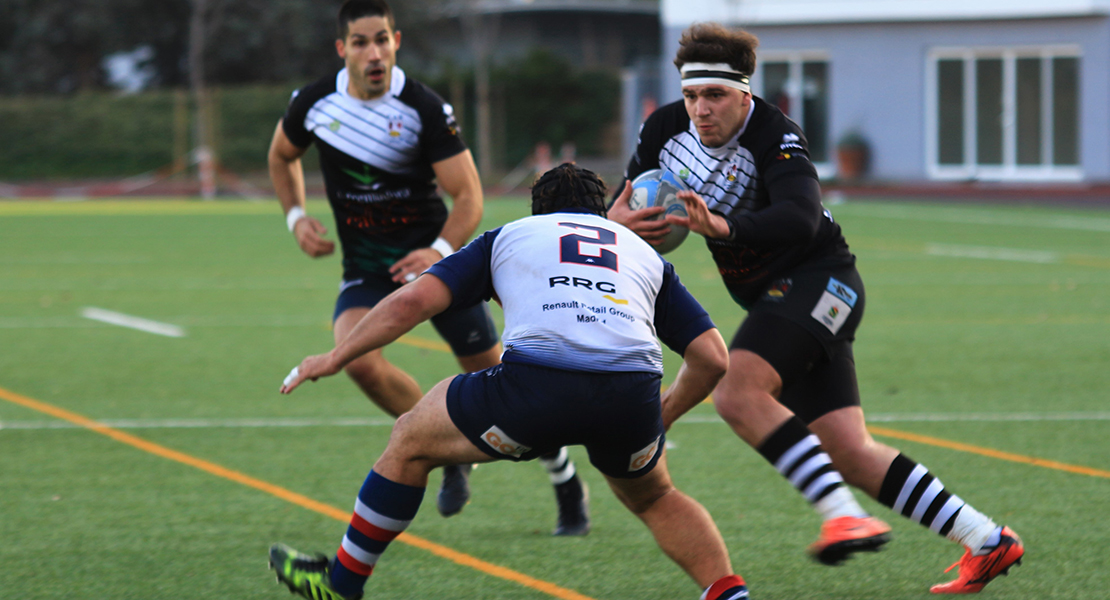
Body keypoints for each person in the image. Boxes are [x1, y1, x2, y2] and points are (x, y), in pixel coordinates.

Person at [608, 23, 1023, 594]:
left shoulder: (776, 134)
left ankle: (843, 516)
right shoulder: (663, 129)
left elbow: (801, 216)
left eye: (715, 95)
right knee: (849, 450)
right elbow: (625, 202)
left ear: (744, 95)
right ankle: (986, 539)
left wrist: (721, 226)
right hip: (778, 300)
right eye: (691, 95)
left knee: (738, 391)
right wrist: (616, 223)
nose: (701, 109)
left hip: (822, 280)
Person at [267, 164, 749, 600]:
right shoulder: (643, 255)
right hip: (631, 394)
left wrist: (336, 355)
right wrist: (661, 416)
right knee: (656, 497)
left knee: (412, 439)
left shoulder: (511, 235)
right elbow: (712, 357)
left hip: (535, 390)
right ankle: (729, 595)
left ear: (537, 210)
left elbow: (412, 303)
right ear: (601, 212)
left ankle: (341, 586)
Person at [267, 0, 588, 534]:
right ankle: (445, 445)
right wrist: (296, 217)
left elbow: (468, 197)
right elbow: (281, 155)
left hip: (441, 270)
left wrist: (437, 253)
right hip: (367, 269)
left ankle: (565, 480)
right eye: (362, 42)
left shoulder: (423, 108)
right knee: (359, 360)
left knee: (504, 383)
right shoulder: (314, 103)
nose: (375, 53)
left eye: (383, 40)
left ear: (397, 41)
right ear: (342, 48)